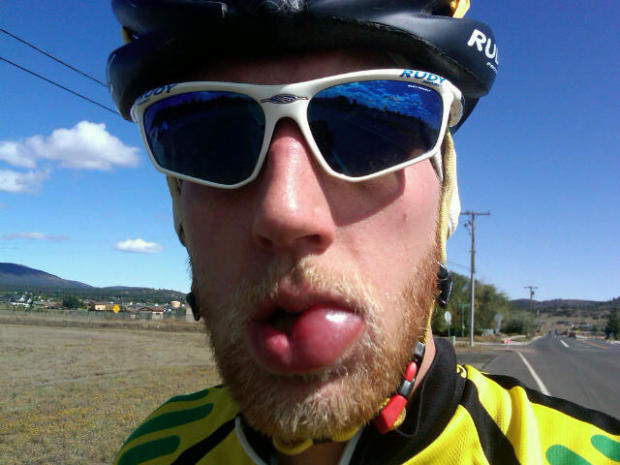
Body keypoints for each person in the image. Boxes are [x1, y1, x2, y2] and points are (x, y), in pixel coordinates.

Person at [107, 1, 620, 464]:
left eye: (372, 129)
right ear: (179, 210)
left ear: (445, 197)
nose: (286, 213)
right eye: (211, 139)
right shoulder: (149, 451)